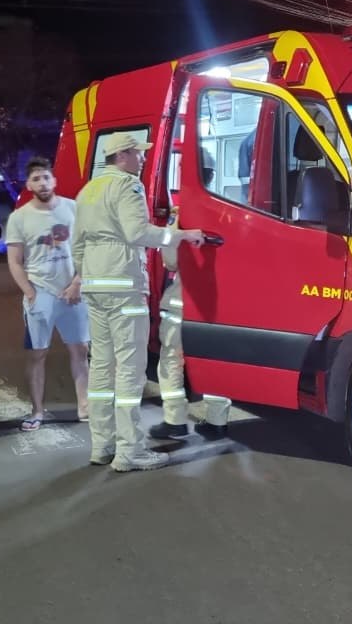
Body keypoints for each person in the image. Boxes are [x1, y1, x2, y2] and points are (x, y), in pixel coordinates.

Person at [72, 131, 206, 472]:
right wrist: (179, 236)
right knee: (129, 372)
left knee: (101, 368)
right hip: (124, 287)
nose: (143, 159)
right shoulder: (128, 187)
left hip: (96, 286)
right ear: (122, 156)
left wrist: (86, 275)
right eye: (138, 153)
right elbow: (137, 233)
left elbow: (77, 245)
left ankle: (101, 445)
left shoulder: (88, 190)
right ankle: (130, 451)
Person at [6, 157, 89, 431]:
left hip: (74, 293)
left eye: (46, 177)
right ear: (29, 184)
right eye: (36, 179)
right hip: (41, 293)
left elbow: (87, 248)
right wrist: (30, 294)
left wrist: (78, 281)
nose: (42, 183)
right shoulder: (19, 218)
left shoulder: (73, 208)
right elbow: (15, 261)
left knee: (80, 350)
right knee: (37, 354)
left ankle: (85, 408)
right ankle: (37, 411)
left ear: (54, 180)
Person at [148, 206, 231, 442]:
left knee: (172, 361)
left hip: (182, 302)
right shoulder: (232, 214)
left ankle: (175, 421)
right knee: (215, 362)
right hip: (219, 306)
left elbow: (171, 261)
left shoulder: (182, 213)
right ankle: (218, 421)